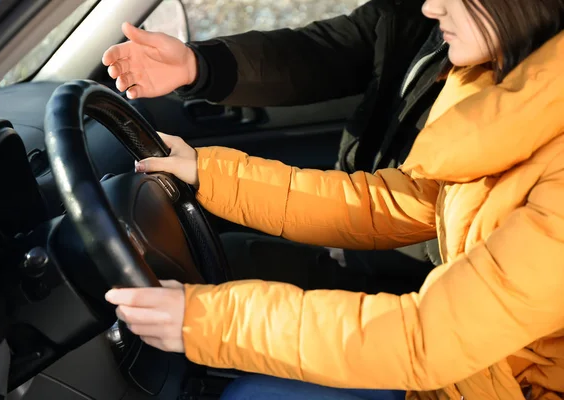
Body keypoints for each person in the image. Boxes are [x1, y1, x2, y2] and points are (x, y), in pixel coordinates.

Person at [102, 0, 564, 398]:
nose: (429, 7)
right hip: (467, 374)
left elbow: (430, 338)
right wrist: (211, 173)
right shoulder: (495, 89)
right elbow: (384, 205)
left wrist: (210, 322)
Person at [101, 0, 448, 296]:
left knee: (207, 278)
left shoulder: (488, 96)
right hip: (362, 233)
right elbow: (318, 52)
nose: (433, 6)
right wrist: (199, 66)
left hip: (413, 282)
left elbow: (410, 209)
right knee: (216, 261)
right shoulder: (413, 12)